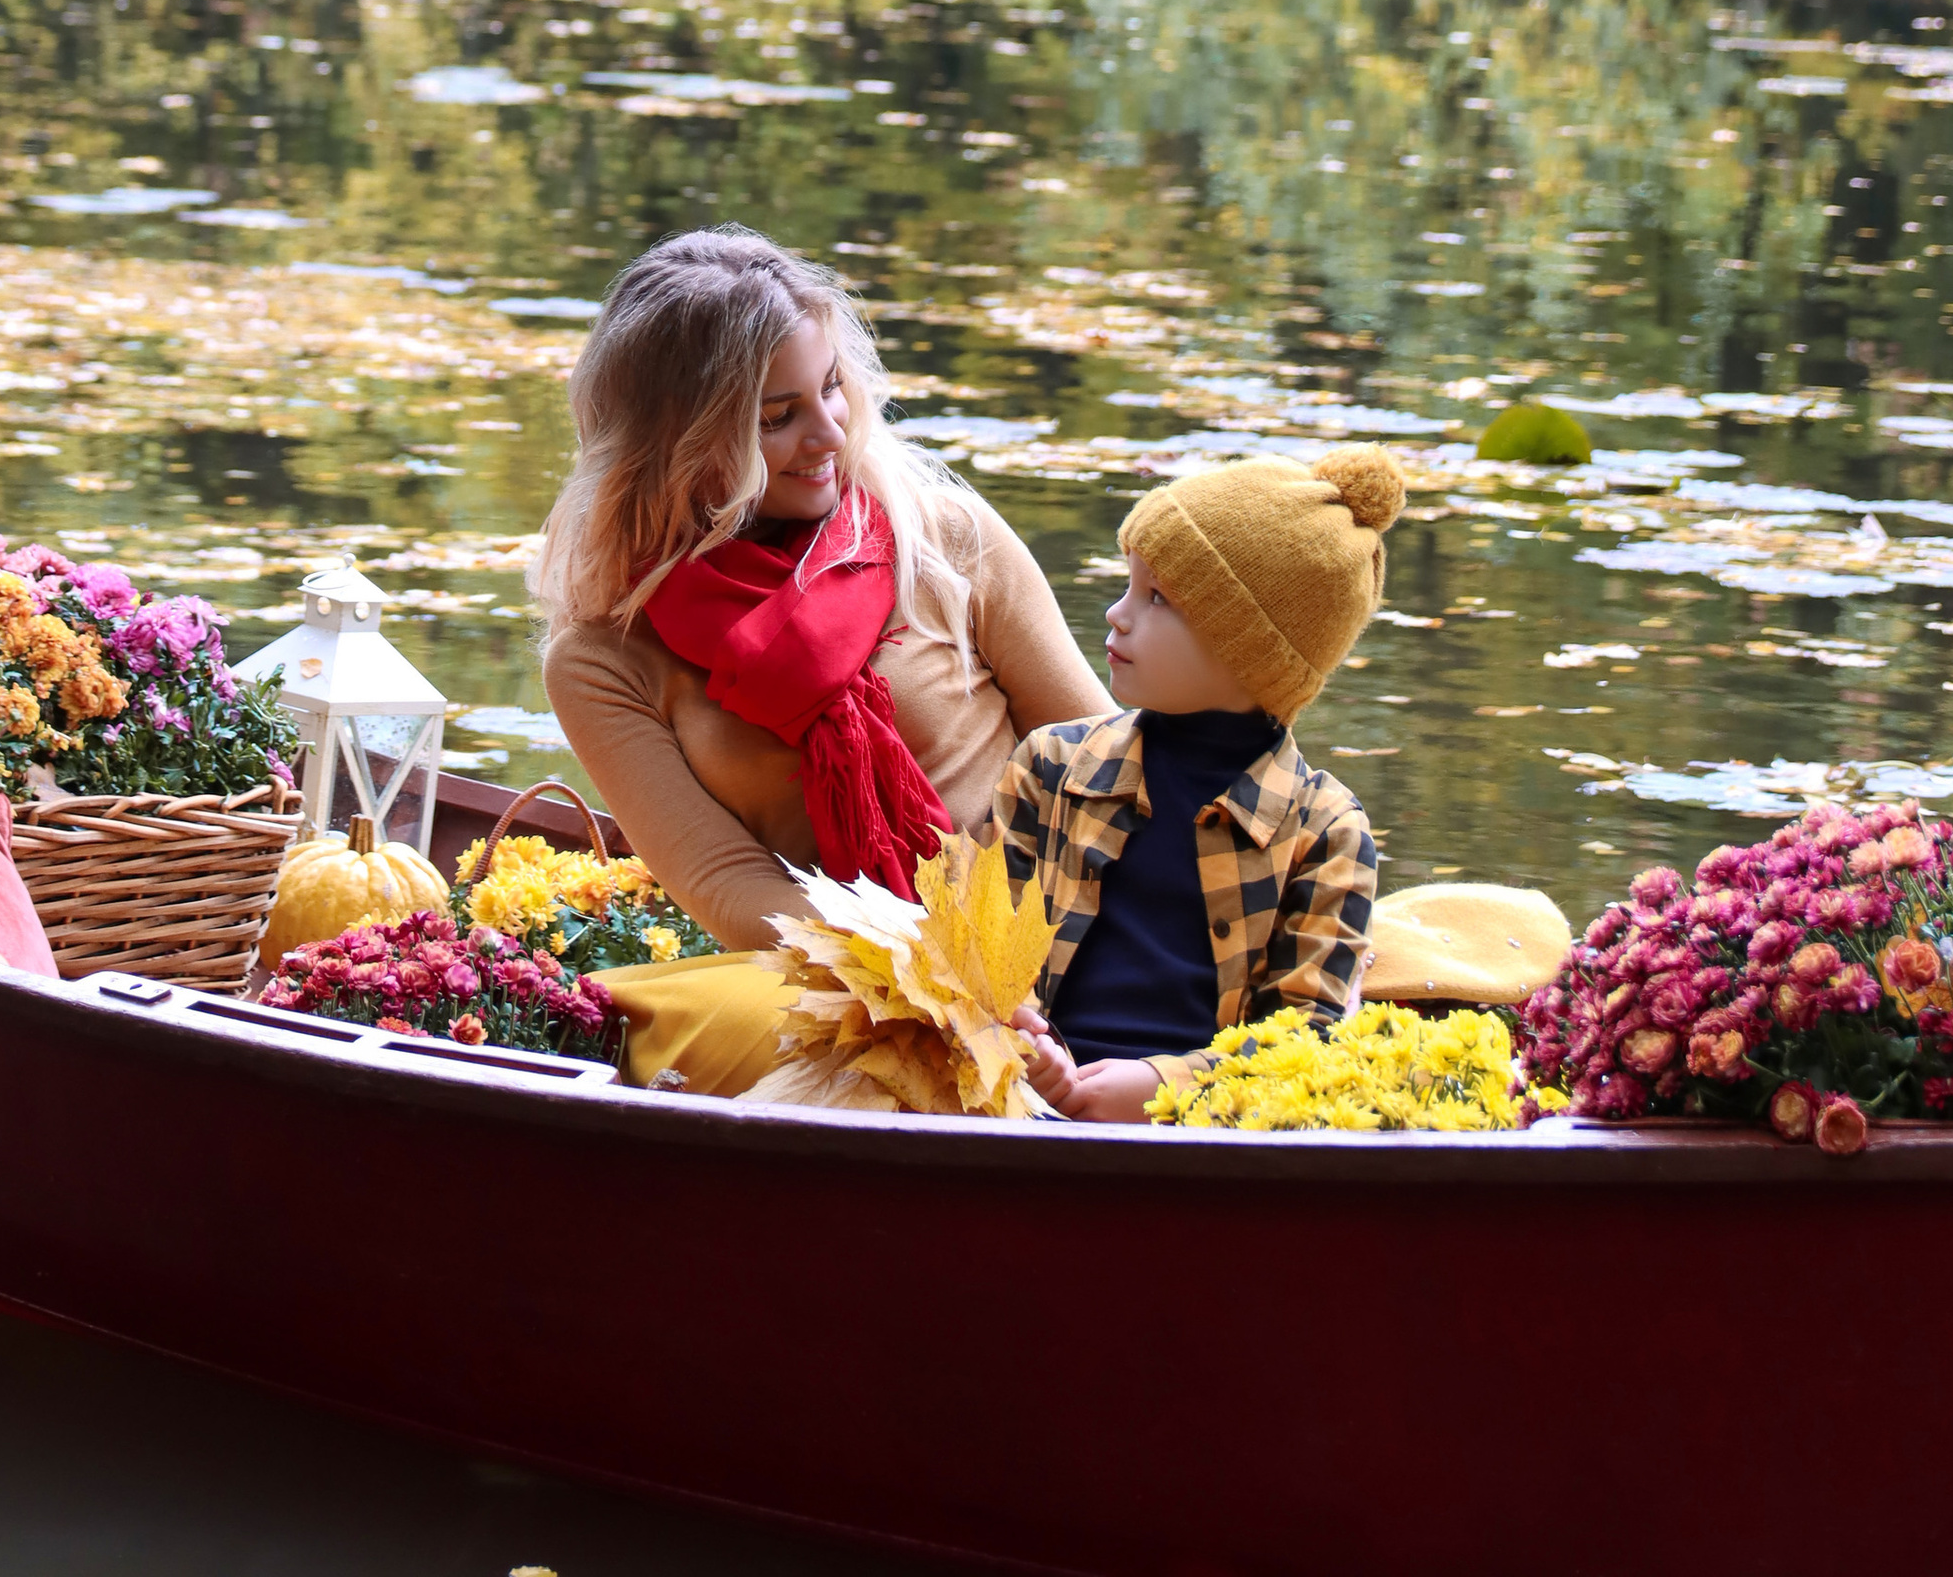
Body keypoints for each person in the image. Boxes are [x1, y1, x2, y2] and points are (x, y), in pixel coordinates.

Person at [538, 225, 1109, 1087]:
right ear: (678, 445)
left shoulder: (942, 535)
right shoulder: (602, 660)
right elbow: (728, 884)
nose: (831, 434)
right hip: (856, 979)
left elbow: (1106, 762)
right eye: (778, 418)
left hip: (1070, 935)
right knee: (677, 1025)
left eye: (833, 388)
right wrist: (930, 970)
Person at [1004, 446, 1401, 1124]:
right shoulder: (1048, 770)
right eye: (1129, 584)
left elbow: (1310, 1037)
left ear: (1251, 651)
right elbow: (979, 948)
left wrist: (1169, 1085)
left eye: (1157, 598)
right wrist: (1021, 1040)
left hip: (1205, 1138)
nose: (1116, 613)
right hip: (1019, 1102)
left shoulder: (1326, 830)